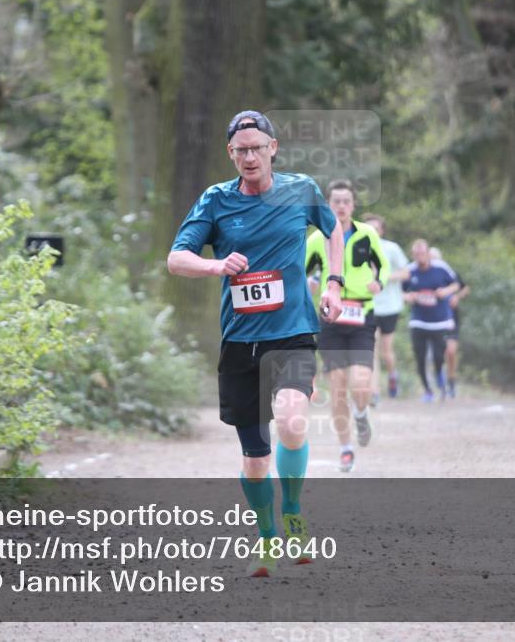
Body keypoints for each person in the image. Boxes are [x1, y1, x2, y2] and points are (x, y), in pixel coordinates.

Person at [167, 110, 344, 577]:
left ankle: (293, 512)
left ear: (273, 149)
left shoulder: (301, 189)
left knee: (291, 419)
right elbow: (176, 258)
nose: (250, 157)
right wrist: (216, 265)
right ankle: (267, 539)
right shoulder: (216, 201)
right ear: (231, 153)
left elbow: (333, 231)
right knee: (255, 458)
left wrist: (334, 284)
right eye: (241, 150)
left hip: (293, 333)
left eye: (257, 148)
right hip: (241, 341)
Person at [304, 180, 389, 472]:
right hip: (331, 319)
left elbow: (383, 266)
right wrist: (307, 287)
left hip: (361, 315)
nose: (341, 206)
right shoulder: (317, 238)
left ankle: (361, 414)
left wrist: (379, 283)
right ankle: (346, 448)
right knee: (338, 387)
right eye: (336, 201)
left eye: (346, 201)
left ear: (353, 205)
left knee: (360, 383)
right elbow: (300, 270)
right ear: (328, 205)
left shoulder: (367, 234)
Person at [402, 239, 460, 402]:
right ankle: (428, 390)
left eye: (422, 253)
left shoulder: (441, 268)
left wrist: (445, 291)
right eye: (416, 254)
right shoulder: (409, 271)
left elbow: (456, 284)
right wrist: (409, 297)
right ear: (413, 255)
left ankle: (439, 374)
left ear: (428, 253)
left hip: (439, 321)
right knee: (420, 357)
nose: (420, 256)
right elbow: (400, 292)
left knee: (438, 356)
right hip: (418, 321)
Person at [361, 213, 409, 401]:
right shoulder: (358, 248)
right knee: (371, 349)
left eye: (376, 228)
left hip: (390, 306)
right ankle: (375, 391)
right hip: (368, 305)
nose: (372, 231)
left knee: (386, 351)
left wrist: (383, 277)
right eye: (368, 228)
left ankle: (392, 376)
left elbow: (406, 273)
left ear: (382, 231)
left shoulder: (391, 248)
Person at [428, 247, 470, 398]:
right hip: (432, 320)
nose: (432, 261)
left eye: (435, 258)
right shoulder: (424, 275)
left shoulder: (450, 273)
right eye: (430, 258)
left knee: (451, 352)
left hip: (451, 318)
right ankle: (439, 381)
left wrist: (456, 297)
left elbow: (465, 288)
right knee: (437, 353)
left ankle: (452, 380)